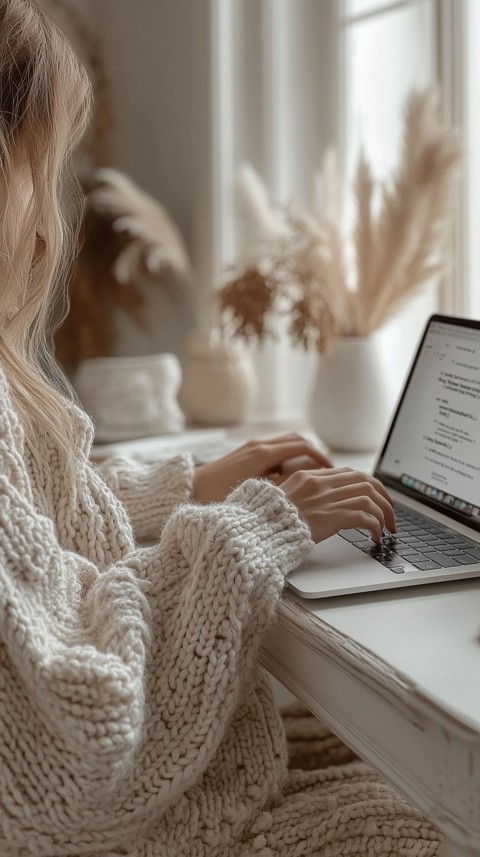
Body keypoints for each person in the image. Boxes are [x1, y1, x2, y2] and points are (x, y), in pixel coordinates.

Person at [0, 2, 439, 855]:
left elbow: (33, 542)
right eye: (40, 168)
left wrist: (191, 486)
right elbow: (71, 738)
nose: (50, 222)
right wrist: (254, 527)